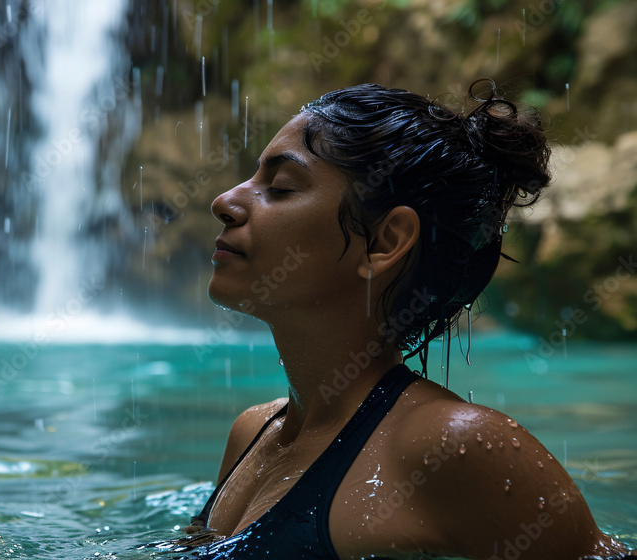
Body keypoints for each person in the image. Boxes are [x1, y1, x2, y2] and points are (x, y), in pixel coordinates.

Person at [174, 81, 635, 559]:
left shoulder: (454, 447)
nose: (225, 201)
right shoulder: (253, 431)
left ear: (385, 242)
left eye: (282, 187)